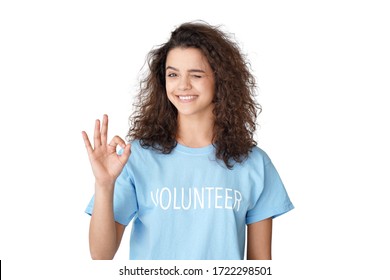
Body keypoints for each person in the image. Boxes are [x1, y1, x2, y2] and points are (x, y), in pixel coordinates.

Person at [82, 21, 294, 260]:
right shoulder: (136, 156)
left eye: (196, 74)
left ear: (221, 80)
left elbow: (260, 266)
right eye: (173, 74)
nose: (182, 85)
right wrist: (104, 184)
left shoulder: (254, 163)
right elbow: (101, 255)